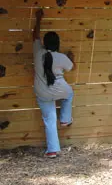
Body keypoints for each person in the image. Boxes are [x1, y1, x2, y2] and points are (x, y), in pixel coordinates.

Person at [33, 9, 75, 158]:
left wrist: (38, 19)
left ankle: (52, 150)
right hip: (60, 90)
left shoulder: (38, 52)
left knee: (49, 120)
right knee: (69, 94)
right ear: (58, 44)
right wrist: (71, 57)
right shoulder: (61, 57)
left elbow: (35, 35)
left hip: (42, 92)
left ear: (44, 43)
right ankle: (64, 119)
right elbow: (71, 67)